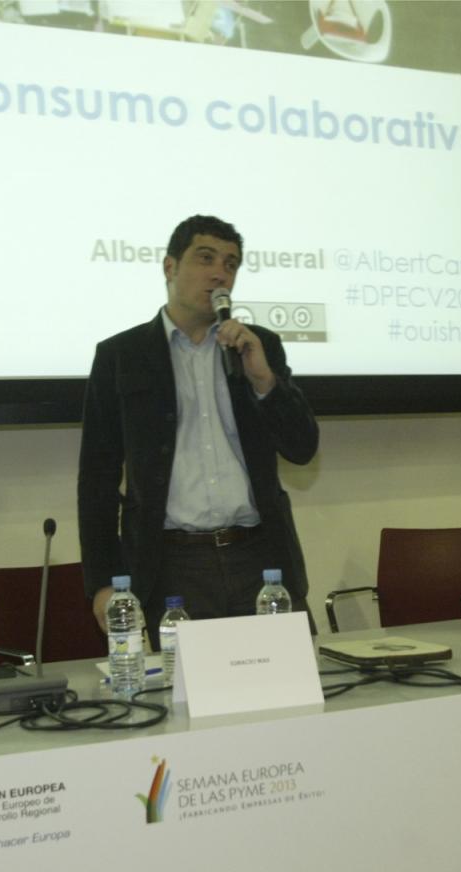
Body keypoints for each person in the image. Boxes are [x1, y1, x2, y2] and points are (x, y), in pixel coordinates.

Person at [77, 214, 318, 639]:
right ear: (170, 267)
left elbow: (302, 448)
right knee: (185, 684)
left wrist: (265, 381)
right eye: (206, 258)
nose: (220, 273)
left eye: (231, 264)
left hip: (261, 559)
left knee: (292, 677)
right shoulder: (122, 355)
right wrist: (102, 582)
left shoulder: (257, 346)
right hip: (171, 567)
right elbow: (97, 477)